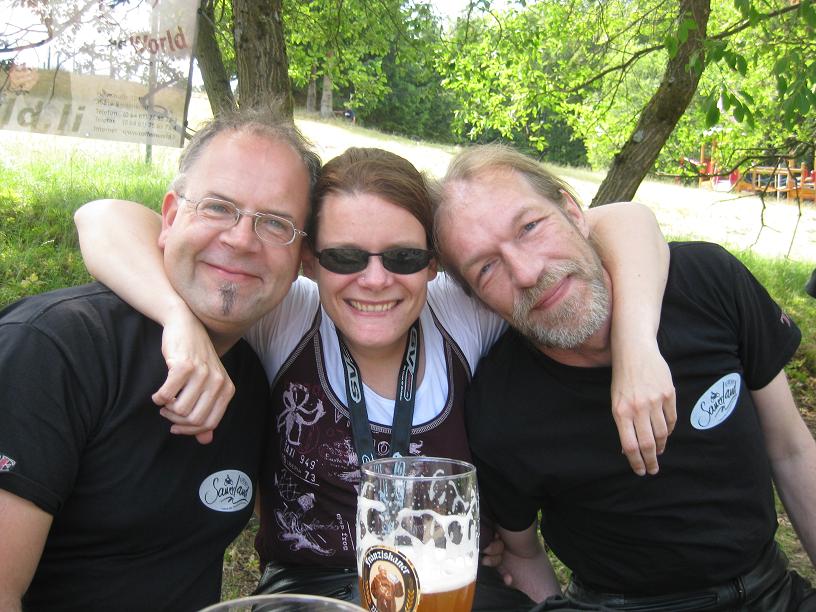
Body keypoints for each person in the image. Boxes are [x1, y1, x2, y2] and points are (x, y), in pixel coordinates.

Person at [73, 147, 674, 609]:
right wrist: (177, 318)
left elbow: (623, 221)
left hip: (450, 589)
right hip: (313, 591)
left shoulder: (458, 312)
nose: (376, 280)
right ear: (309, 261)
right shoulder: (289, 313)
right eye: (345, 257)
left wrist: (637, 346)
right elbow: (103, 217)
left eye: (403, 257)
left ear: (433, 263)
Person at [433, 144, 816, 610]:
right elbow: (523, 552)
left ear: (574, 212)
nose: (528, 272)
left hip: (770, 591)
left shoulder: (709, 283)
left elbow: (792, 449)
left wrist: (638, 348)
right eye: (487, 267)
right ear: (477, 299)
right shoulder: (498, 409)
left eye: (530, 227)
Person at [0, 106, 321, 611]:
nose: (241, 239)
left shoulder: (255, 378)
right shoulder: (54, 350)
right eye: (218, 207)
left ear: (302, 257)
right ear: (170, 218)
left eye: (275, 223)